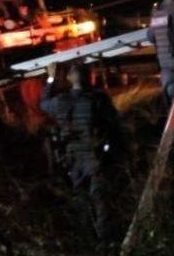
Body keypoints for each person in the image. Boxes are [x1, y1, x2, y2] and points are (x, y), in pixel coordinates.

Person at [40, 62, 121, 240]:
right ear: (90, 77)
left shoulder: (60, 101)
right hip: (94, 155)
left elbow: (43, 103)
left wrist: (51, 78)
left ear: (69, 78)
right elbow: (114, 124)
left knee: (81, 198)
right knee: (100, 199)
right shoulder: (98, 99)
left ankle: (88, 240)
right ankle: (106, 240)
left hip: (72, 157)